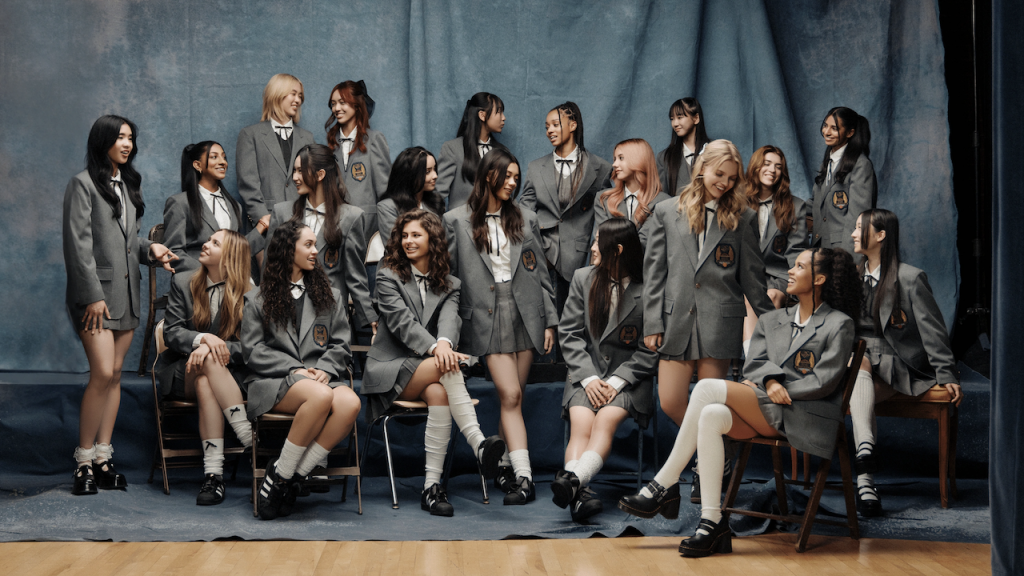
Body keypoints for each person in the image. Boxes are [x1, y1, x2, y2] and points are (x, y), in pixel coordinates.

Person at [619, 247, 861, 558]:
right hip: (769, 407)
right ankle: (712, 523)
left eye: (799, 267)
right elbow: (754, 363)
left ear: (819, 279)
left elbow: (825, 380)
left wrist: (780, 389)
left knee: (706, 388)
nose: (789, 271)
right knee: (712, 414)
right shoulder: (772, 320)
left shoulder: (839, 324)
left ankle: (662, 485)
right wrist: (770, 382)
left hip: (805, 416)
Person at [361, 209, 506, 516]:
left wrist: (444, 343)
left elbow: (450, 321)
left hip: (428, 370)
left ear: (433, 240)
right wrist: (437, 348)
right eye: (404, 236)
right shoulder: (387, 276)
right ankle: (478, 444)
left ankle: (431, 487)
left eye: (416, 235)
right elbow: (402, 323)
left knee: (440, 393)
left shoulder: (450, 283)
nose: (408, 241)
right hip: (390, 369)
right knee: (446, 365)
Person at [63, 115, 177, 495]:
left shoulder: (128, 185)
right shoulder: (81, 185)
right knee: (101, 373)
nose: (127, 144)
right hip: (95, 298)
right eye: (120, 137)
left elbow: (128, 243)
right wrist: (92, 296)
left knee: (114, 375)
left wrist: (151, 249)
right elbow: (78, 249)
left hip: (126, 296)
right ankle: (83, 462)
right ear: (103, 141)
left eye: (130, 138)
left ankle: (103, 458)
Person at [444, 148, 557, 504]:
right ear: (488, 175)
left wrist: (550, 321)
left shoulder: (526, 218)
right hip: (483, 317)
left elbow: (540, 274)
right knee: (510, 396)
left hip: (526, 313)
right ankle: (526, 478)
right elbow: (449, 280)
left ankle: (505, 467)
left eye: (515, 178)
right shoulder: (455, 220)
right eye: (506, 176)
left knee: (515, 397)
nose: (512, 183)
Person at [241, 221, 361, 520]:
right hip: (273, 382)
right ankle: (285, 477)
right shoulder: (257, 298)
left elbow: (341, 344)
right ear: (287, 249)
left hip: (319, 378)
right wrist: (295, 369)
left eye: (315, 244)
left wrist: (324, 368)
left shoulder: (330, 295)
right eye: (308, 245)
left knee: (350, 402)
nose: (316, 251)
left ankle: (287, 476)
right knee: (320, 396)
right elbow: (252, 351)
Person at [848, 209, 963, 517]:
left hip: (897, 362)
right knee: (858, 364)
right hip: (856, 361)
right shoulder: (851, 277)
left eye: (859, 228)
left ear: (881, 235)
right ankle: (866, 465)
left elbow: (933, 332)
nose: (853, 234)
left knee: (860, 380)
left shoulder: (910, 278)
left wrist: (947, 373)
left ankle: (865, 479)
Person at [554, 218, 658, 521]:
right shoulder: (583, 278)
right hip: (585, 373)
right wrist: (589, 379)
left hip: (629, 379)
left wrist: (616, 382)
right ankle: (578, 494)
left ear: (618, 249)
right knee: (581, 423)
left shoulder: (648, 288)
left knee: (605, 421)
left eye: (599, 241)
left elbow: (651, 348)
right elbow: (569, 334)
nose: (592, 247)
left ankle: (572, 482)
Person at [156, 229, 253, 505]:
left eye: (215, 243)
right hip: (181, 371)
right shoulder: (183, 282)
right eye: (209, 240)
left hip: (227, 377)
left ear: (230, 257)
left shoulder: (251, 292)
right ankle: (248, 437)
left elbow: (251, 348)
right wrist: (203, 340)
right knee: (204, 366)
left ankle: (213, 475)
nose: (206, 245)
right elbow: (171, 333)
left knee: (205, 381)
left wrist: (211, 349)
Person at [263, 144, 376, 332]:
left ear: (320, 174)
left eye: (300, 171)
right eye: (294, 171)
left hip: (328, 315)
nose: (295, 177)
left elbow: (355, 277)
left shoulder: (351, 217)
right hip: (286, 315)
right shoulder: (281, 213)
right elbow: (268, 269)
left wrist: (370, 319)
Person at [519, 101, 612, 316]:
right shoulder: (535, 167)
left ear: (573, 125)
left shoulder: (600, 168)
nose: (549, 131)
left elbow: (604, 215)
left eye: (555, 124)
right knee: (544, 319)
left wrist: (598, 250)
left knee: (576, 320)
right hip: (542, 255)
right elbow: (524, 212)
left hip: (580, 257)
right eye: (546, 127)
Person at [163, 141, 266, 273]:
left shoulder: (235, 206)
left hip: (229, 278)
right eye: (214, 157)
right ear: (197, 165)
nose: (223, 162)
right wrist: (210, 273)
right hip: (194, 279)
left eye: (224, 157)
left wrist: (261, 226)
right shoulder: (179, 203)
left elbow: (236, 250)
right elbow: (172, 252)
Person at [741, 145, 809, 345]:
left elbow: (797, 252)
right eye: (767, 164)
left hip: (778, 276)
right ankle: (756, 357)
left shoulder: (796, 206)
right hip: (743, 276)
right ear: (756, 166)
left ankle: (756, 357)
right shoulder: (738, 202)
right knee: (749, 297)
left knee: (769, 296)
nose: (772, 170)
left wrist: (798, 282)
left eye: (778, 167)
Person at [236, 73, 316, 237]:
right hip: (265, 226)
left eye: (300, 96)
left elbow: (313, 183)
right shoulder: (250, 135)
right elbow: (248, 184)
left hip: (302, 224)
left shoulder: (307, 137)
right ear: (276, 94)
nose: (298, 100)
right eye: (293, 94)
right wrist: (264, 221)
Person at [326, 80, 391, 238]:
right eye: (333, 104)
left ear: (356, 105)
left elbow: (385, 192)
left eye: (342, 102)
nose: (337, 108)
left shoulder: (374, 140)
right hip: (336, 228)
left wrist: (387, 234)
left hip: (367, 228)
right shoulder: (331, 144)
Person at [810, 107, 876, 255]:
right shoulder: (828, 162)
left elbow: (857, 218)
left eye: (834, 128)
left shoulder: (860, 165)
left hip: (843, 251)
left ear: (850, 133)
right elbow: (817, 203)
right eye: (825, 126)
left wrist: (847, 259)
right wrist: (785, 205)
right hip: (820, 248)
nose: (826, 132)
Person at [436, 92, 507, 210]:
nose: (503, 118)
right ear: (482, 115)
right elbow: (438, 194)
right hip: (462, 219)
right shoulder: (452, 148)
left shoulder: (502, 151)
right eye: (499, 112)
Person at [594, 138, 672, 246]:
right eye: (615, 159)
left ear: (639, 160)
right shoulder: (603, 199)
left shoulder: (662, 202)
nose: (614, 164)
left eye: (621, 158)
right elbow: (603, 241)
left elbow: (644, 243)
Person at [376, 146, 445, 239]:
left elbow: (443, 241)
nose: (435, 175)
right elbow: (393, 244)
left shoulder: (436, 202)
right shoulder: (388, 207)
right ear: (410, 175)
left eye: (434, 169)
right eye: (428, 171)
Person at [655, 98, 711, 197]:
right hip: (676, 207)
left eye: (680, 117)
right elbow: (661, 197)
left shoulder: (716, 151)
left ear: (696, 118)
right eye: (672, 119)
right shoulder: (664, 157)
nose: (675, 124)